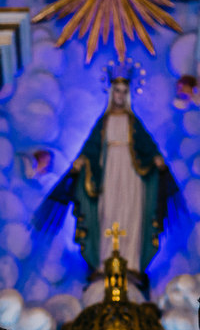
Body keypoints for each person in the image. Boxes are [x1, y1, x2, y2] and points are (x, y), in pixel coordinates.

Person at [32, 64, 179, 281]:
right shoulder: (104, 121)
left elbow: (147, 144)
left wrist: (156, 158)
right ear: (111, 93)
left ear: (128, 94)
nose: (120, 96)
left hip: (132, 175)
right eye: (117, 91)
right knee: (108, 212)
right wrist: (80, 160)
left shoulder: (132, 121)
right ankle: (105, 260)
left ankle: (131, 261)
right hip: (108, 174)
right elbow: (91, 146)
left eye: (124, 92)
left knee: (131, 212)